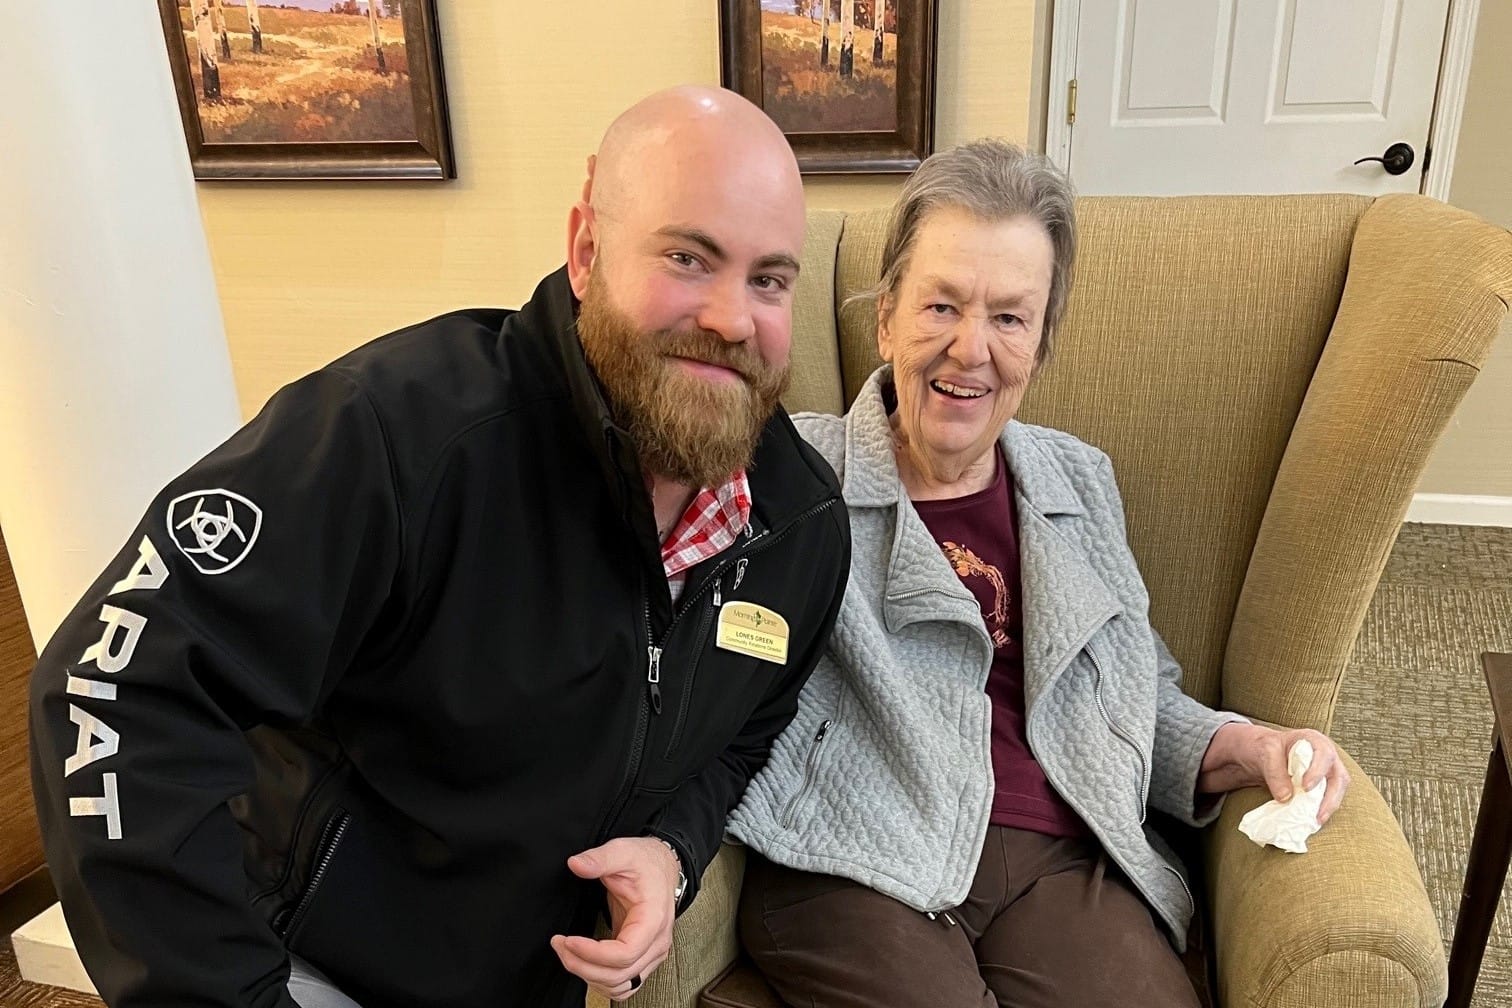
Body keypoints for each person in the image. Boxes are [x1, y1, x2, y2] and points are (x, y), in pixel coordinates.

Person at [28, 85, 850, 1008]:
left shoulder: (802, 529)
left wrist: (674, 849)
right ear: (586, 250)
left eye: (769, 278)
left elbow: (744, 736)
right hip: (301, 967)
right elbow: (112, 692)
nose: (733, 318)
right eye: (688, 256)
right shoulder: (396, 435)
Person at [725, 140, 1351, 1007]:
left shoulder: (1078, 481)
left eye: (1010, 318)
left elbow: (1134, 690)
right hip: (855, 854)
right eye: (941, 305)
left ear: (1042, 342)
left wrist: (1251, 745)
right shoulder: (798, 474)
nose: (970, 349)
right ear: (886, 319)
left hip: (1059, 852)